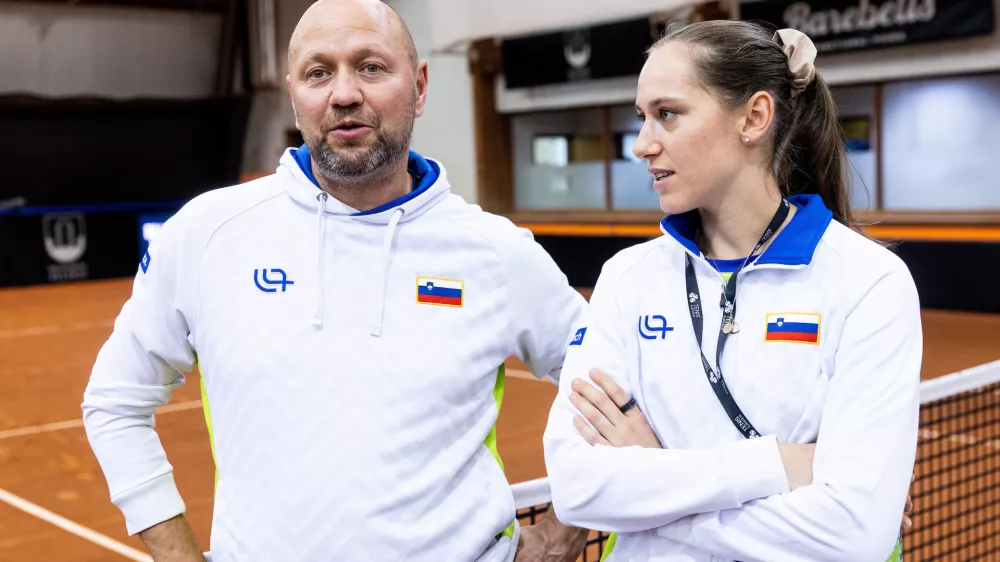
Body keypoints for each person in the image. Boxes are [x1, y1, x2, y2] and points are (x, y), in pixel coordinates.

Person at [81, 1, 589, 560]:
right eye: (318, 72)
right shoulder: (206, 233)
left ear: (419, 87)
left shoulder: (497, 252)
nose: (344, 94)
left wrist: (570, 522)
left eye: (371, 67)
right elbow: (114, 402)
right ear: (294, 95)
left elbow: (614, 379)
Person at [542, 21, 921, 562]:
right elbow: (579, 487)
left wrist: (654, 491)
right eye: (641, 118)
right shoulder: (626, 277)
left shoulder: (869, 282)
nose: (644, 144)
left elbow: (853, 534)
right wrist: (777, 467)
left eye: (667, 114)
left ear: (754, 117)